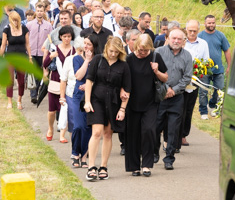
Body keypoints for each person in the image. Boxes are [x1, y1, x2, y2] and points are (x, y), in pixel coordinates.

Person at [83, 36, 131, 182]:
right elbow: (89, 81)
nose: (113, 54)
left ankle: (103, 166)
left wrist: (122, 109)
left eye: (116, 52)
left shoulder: (124, 66)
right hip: (96, 99)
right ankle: (91, 166)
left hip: (114, 102)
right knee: (96, 132)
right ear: (106, 49)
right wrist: (87, 101)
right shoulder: (98, 60)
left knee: (108, 134)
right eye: (111, 51)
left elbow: (127, 89)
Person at [125, 35, 167, 177]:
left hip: (151, 102)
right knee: (133, 134)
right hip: (132, 102)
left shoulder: (156, 57)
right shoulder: (129, 59)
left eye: (145, 50)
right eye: (140, 50)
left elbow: (165, 78)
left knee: (149, 131)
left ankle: (147, 164)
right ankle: (134, 166)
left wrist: (157, 71)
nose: (142, 52)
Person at [154, 28, 193, 170]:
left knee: (173, 129)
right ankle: (154, 152)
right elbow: (154, 74)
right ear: (168, 38)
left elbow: (187, 77)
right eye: (173, 38)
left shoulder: (187, 56)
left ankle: (169, 158)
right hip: (160, 97)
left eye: (179, 39)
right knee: (156, 126)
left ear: (183, 41)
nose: (176, 41)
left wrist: (173, 90)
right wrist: (165, 90)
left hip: (177, 98)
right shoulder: (158, 52)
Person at [60, 37, 93, 168]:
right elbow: (78, 76)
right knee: (78, 126)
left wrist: (90, 85)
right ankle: (75, 153)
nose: (86, 47)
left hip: (92, 96)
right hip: (77, 96)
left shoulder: (99, 60)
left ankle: (84, 156)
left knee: (88, 127)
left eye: (89, 44)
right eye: (84, 44)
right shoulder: (76, 59)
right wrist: (87, 61)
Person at [181, 20, 211, 146]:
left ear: (198, 31)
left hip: (194, 82)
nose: (192, 33)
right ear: (186, 29)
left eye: (194, 31)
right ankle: (173, 133)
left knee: (188, 109)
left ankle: (183, 135)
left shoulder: (203, 43)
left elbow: (206, 62)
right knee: (178, 108)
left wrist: (199, 71)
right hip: (180, 81)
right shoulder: (182, 41)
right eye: (190, 31)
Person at [44, 25, 75, 142]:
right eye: (64, 36)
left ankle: (62, 134)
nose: (67, 39)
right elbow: (45, 64)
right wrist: (51, 56)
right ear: (60, 37)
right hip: (55, 81)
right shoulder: (55, 49)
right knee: (52, 110)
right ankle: (50, 128)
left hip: (68, 84)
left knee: (65, 109)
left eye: (69, 36)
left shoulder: (74, 50)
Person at [199, 14, 232, 119]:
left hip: (218, 69)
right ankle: (203, 111)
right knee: (203, 91)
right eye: (209, 23)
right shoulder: (200, 36)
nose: (211, 24)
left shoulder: (220, 35)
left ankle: (212, 106)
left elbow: (227, 51)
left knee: (219, 90)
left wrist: (229, 66)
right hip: (204, 69)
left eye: (213, 22)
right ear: (205, 23)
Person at [0, 11, 31, 109]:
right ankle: (9, 101)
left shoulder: (24, 28)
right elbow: (3, 45)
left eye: (17, 21)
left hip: (22, 57)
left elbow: (27, 44)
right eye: (13, 21)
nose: (15, 23)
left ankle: (19, 100)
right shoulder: (7, 30)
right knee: (10, 80)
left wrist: (30, 57)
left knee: (21, 81)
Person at [27, 2, 52, 103]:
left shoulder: (48, 25)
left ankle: (37, 92)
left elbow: (50, 40)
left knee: (40, 74)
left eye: (41, 11)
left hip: (43, 53)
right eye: (38, 11)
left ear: (44, 12)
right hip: (32, 52)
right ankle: (33, 95)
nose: (39, 13)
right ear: (35, 12)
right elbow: (26, 38)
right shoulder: (29, 24)